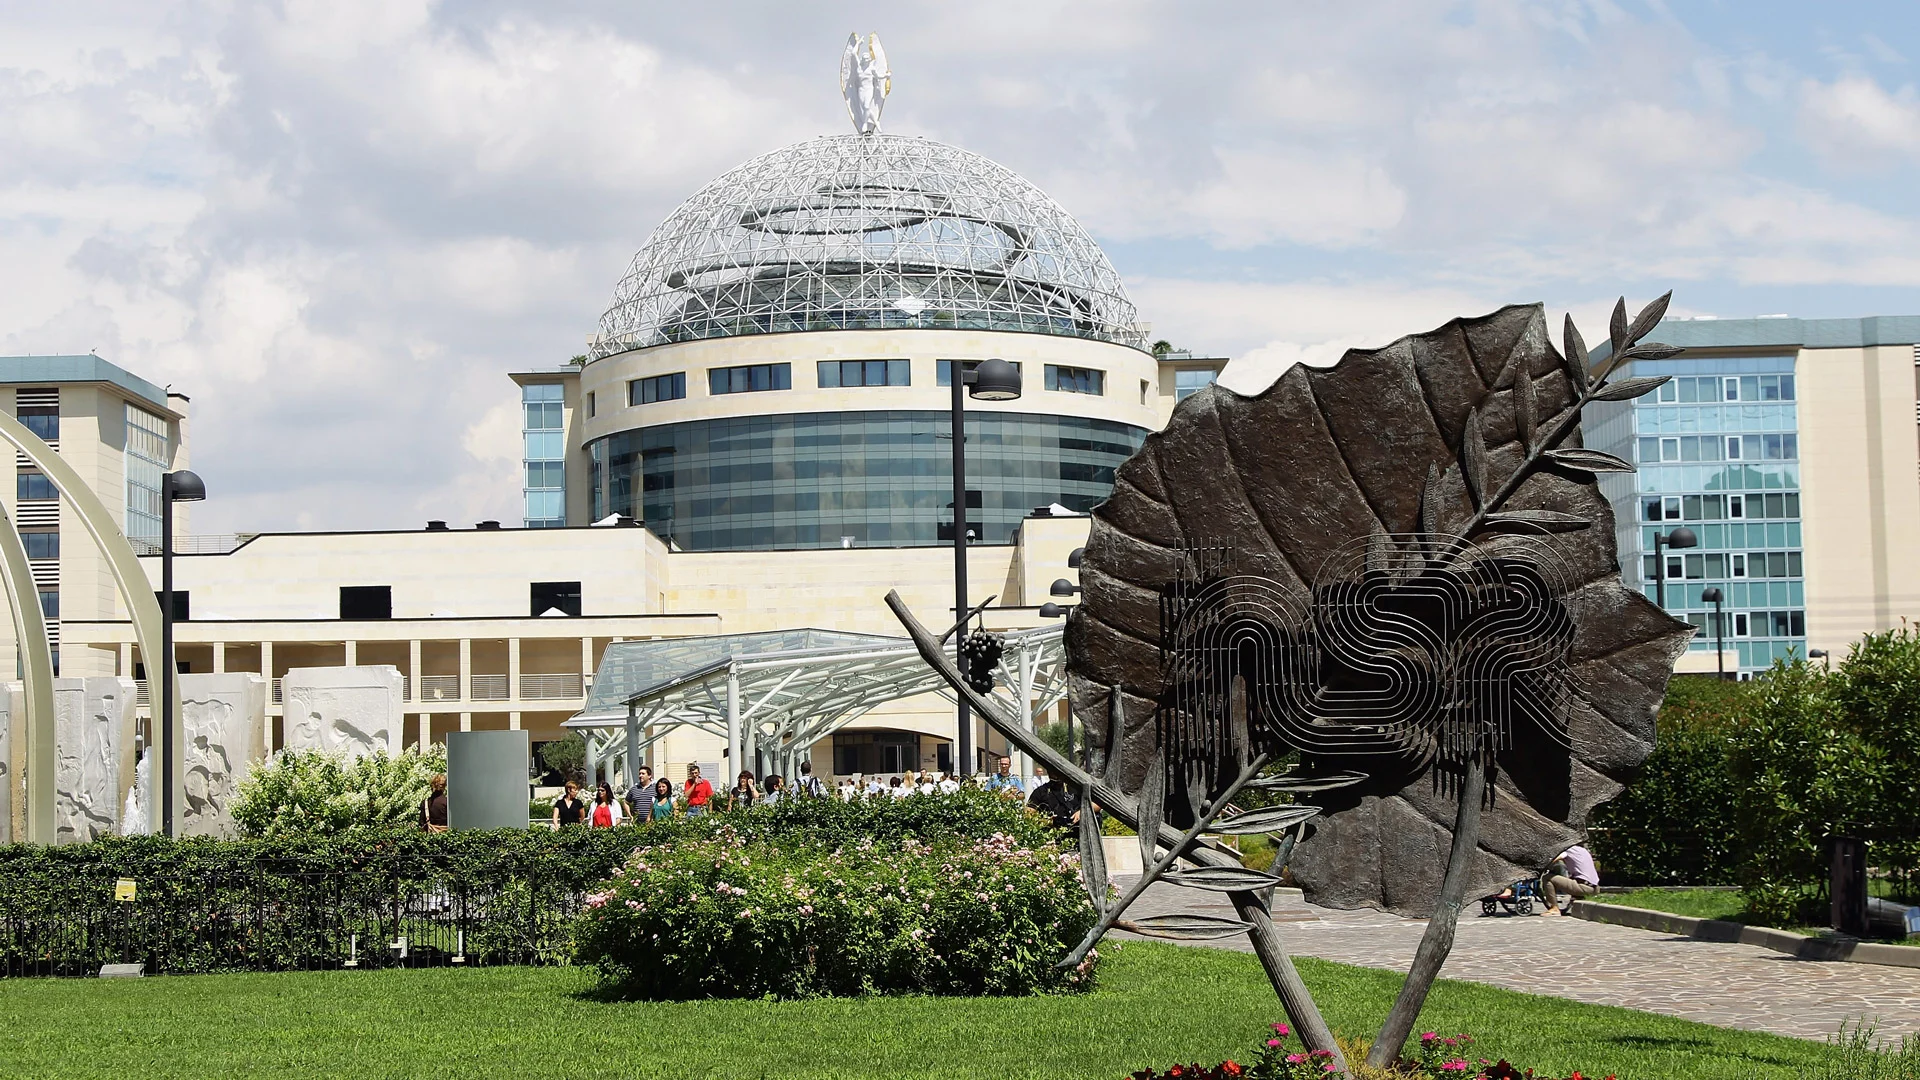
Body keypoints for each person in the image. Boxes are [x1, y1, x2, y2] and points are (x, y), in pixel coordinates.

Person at [1540, 843, 1599, 915]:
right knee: (1572, 879)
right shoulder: (1583, 850)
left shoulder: (1567, 851)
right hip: (1595, 887)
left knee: (1547, 878)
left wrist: (1541, 865)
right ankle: (1571, 904)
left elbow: (1553, 860)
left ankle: (1554, 908)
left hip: (1584, 887)